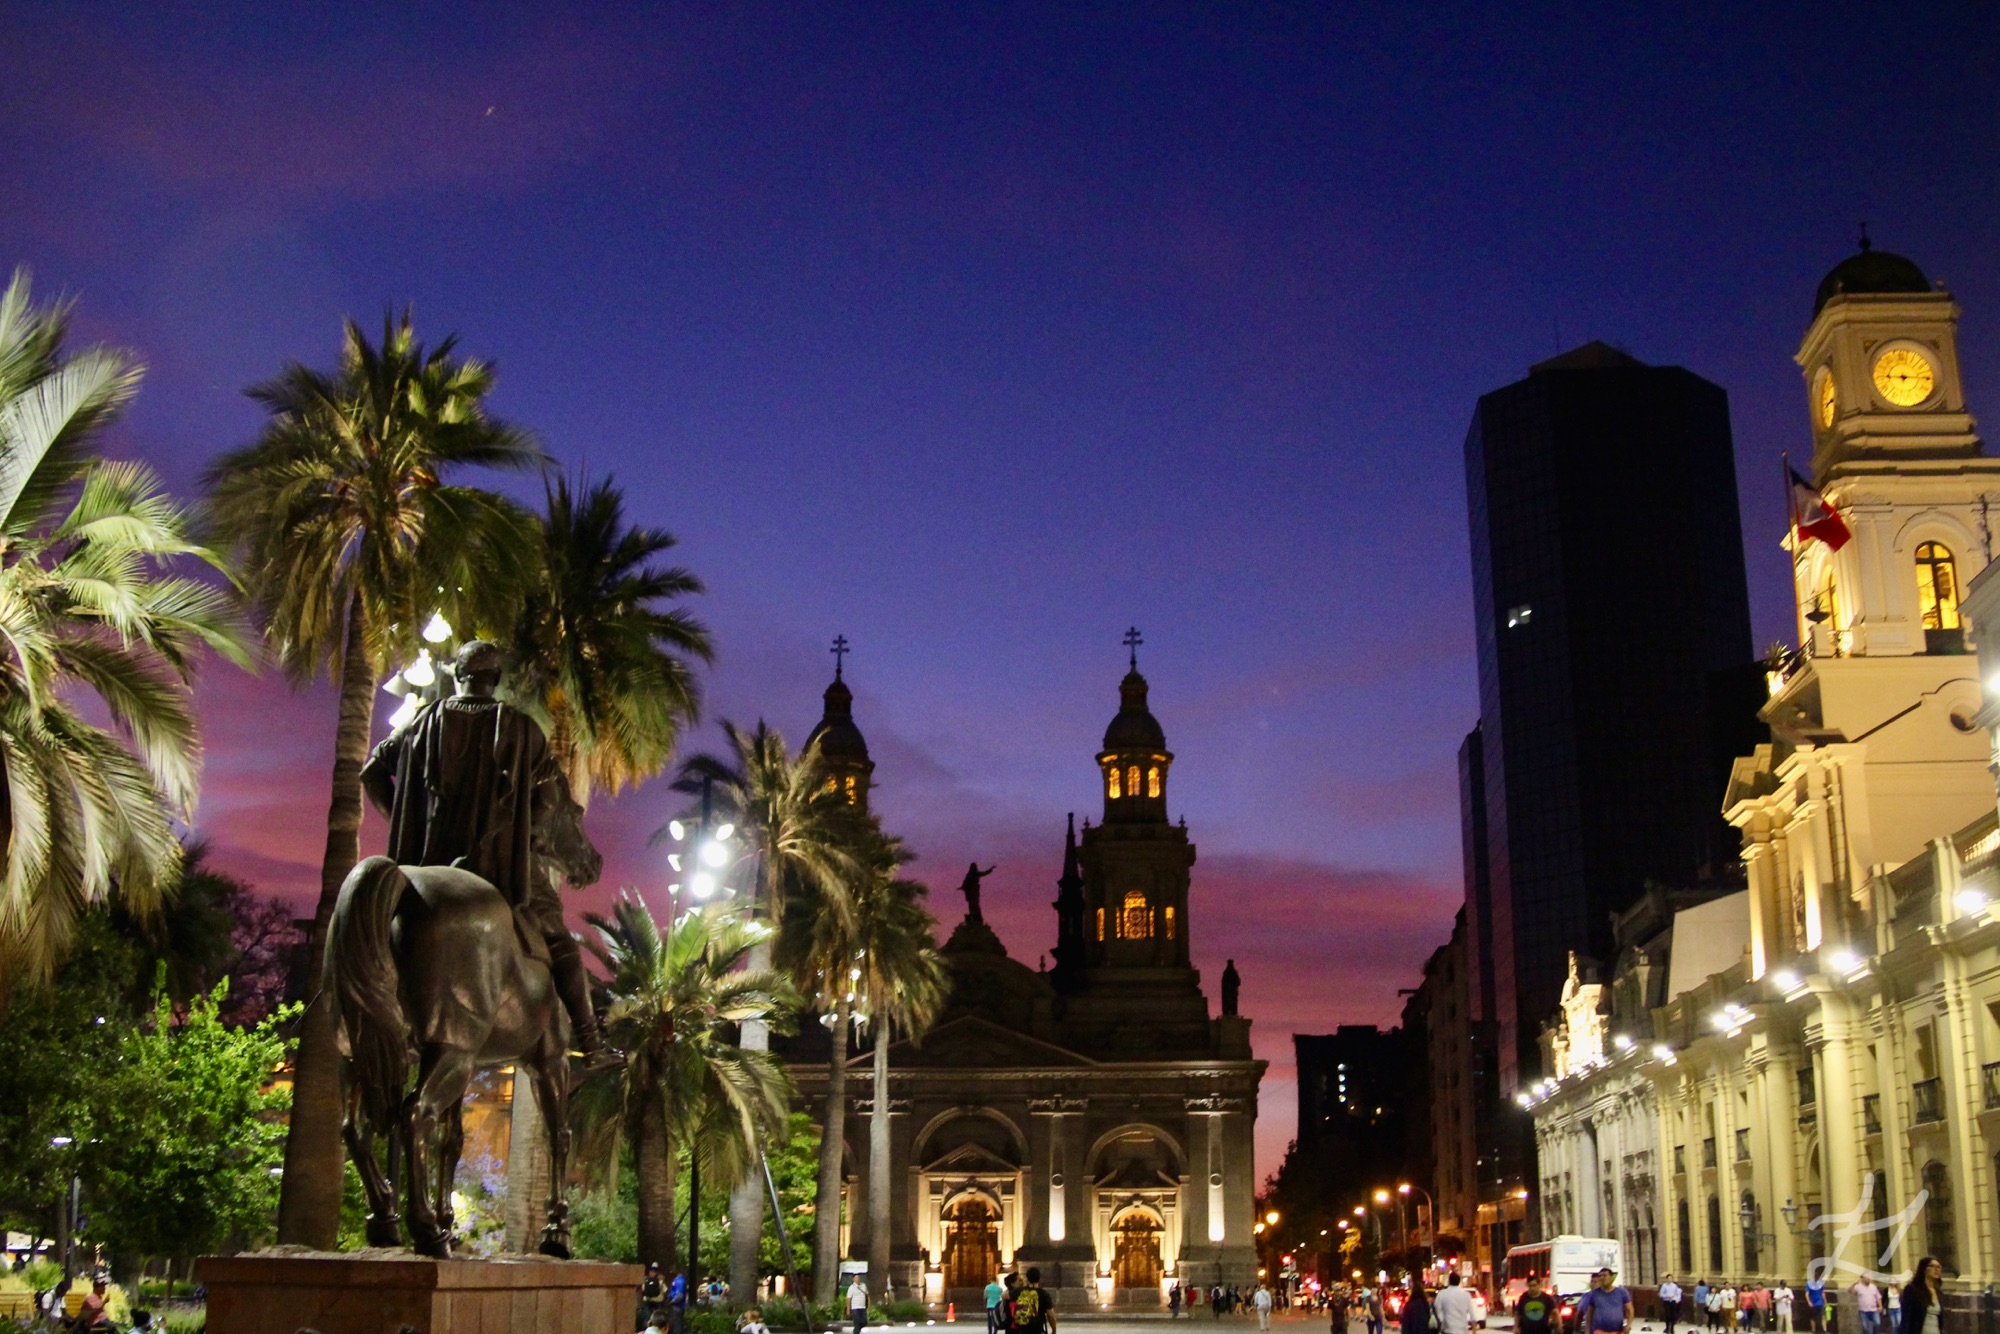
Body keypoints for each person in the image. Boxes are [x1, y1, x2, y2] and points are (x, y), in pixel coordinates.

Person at [361, 639, 612, 1067]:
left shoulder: (421, 723)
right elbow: (549, 804)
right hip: (497, 865)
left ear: (457, 676)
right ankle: (591, 1043)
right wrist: (522, 837)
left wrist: (406, 824)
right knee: (559, 939)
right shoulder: (519, 728)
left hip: (424, 864)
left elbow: (372, 774)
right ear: (495, 681)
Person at [1575, 1269, 1634, 1334]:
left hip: (1617, 1331)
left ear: (1611, 1277)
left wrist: (1629, 1325)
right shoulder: (1594, 1294)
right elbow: (1589, 1314)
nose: (1602, 1278)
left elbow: (1630, 1309)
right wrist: (1587, 1331)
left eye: (1605, 1275)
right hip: (1599, 1331)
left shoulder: (1621, 1292)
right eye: (1600, 1276)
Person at [1897, 1258, 1941, 1334]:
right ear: (1924, 1269)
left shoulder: (1939, 1292)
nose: (1936, 1269)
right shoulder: (1912, 1289)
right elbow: (1906, 1318)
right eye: (1932, 1266)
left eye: (1939, 1267)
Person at [1012, 1266, 1055, 1334]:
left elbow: (1007, 1298)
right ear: (1039, 1278)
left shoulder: (1018, 1292)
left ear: (1027, 1278)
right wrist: (1054, 1330)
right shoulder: (1043, 1294)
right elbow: (1051, 1315)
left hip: (1022, 1330)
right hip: (1037, 1330)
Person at [640, 1263, 668, 1331]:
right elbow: (665, 1291)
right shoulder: (660, 1281)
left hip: (647, 1301)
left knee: (646, 1318)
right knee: (659, 1319)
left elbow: (642, 1290)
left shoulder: (645, 1280)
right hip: (658, 1302)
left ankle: (646, 1331)